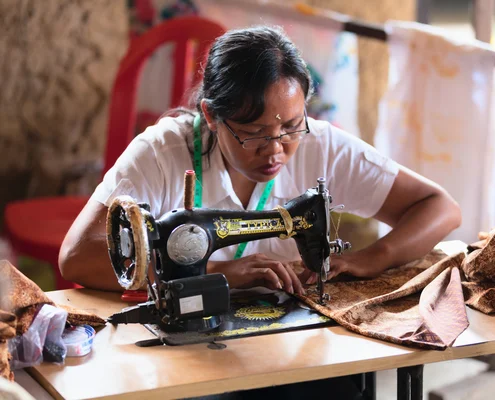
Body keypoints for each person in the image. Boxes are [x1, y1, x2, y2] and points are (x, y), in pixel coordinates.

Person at [59, 25, 461, 296]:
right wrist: (212, 276)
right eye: (253, 133)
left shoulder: (321, 144)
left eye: (290, 125)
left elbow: (440, 208)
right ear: (212, 117)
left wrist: (371, 258)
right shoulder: (163, 153)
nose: (276, 149)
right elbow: (77, 257)